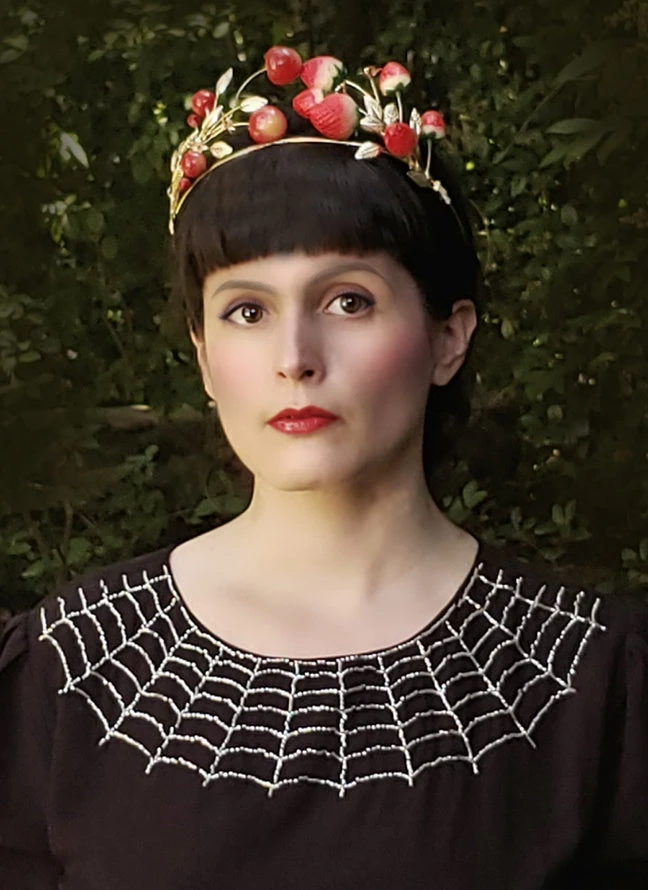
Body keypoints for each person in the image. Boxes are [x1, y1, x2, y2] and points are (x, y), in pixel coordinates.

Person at [1, 45, 647, 890]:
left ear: (448, 338)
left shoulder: (592, 679)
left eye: (349, 301)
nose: (294, 357)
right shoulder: (70, 666)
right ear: (203, 356)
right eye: (246, 311)